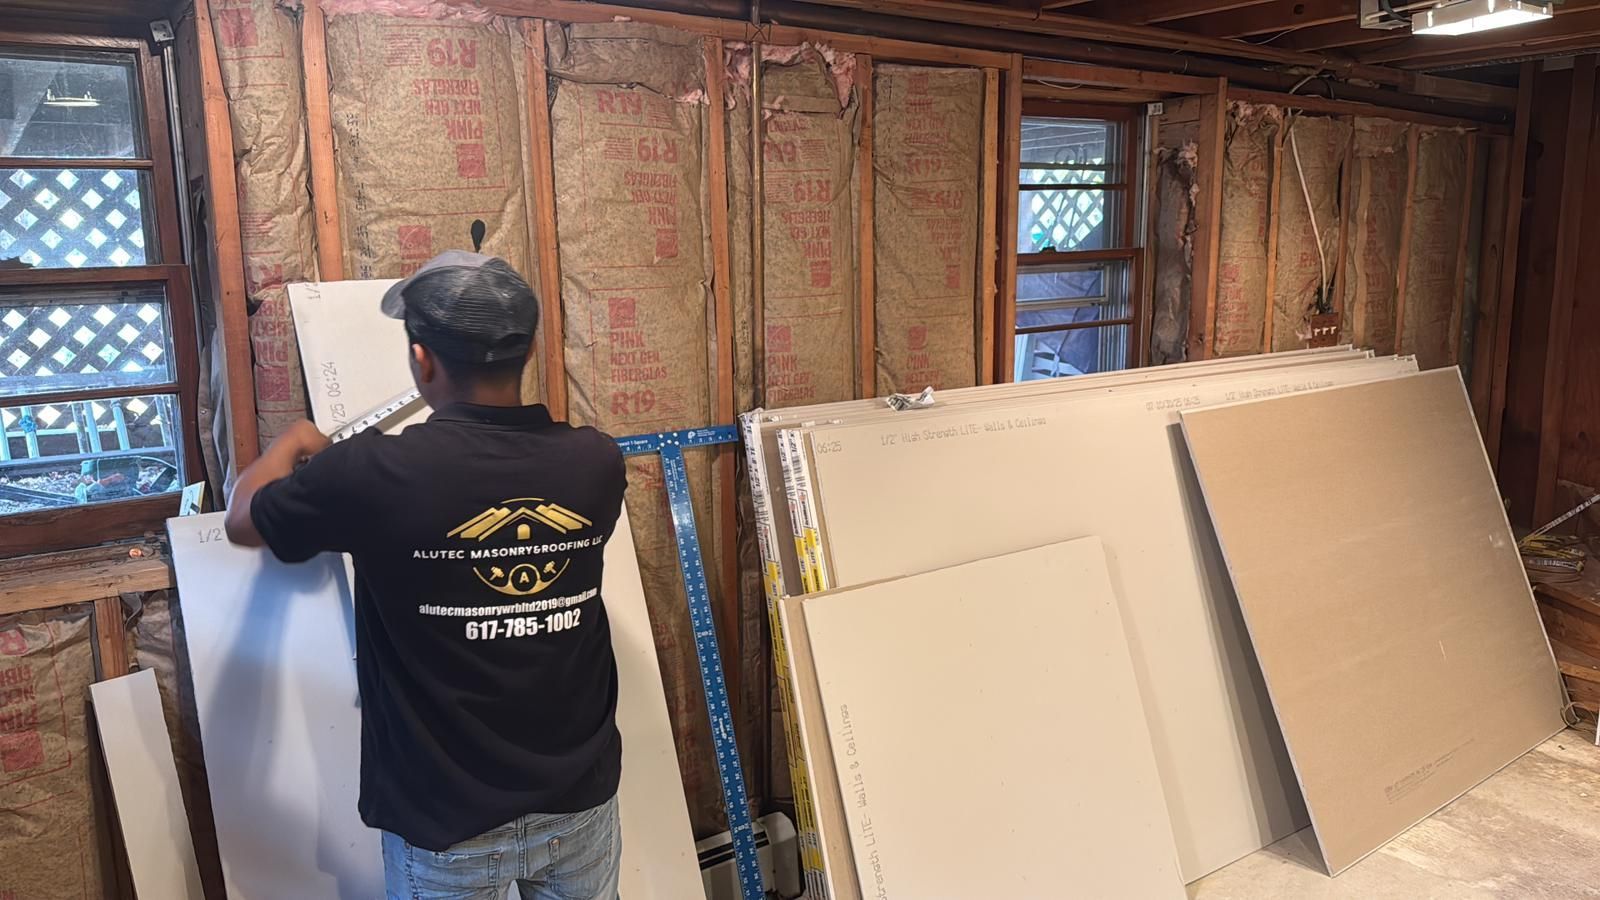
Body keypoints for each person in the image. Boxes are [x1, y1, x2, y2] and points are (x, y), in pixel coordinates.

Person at [224, 252, 626, 900]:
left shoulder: (374, 476)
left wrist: (290, 444)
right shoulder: (596, 463)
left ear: (423, 360)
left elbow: (243, 521)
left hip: (447, 824)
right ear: (524, 353)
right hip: (578, 801)